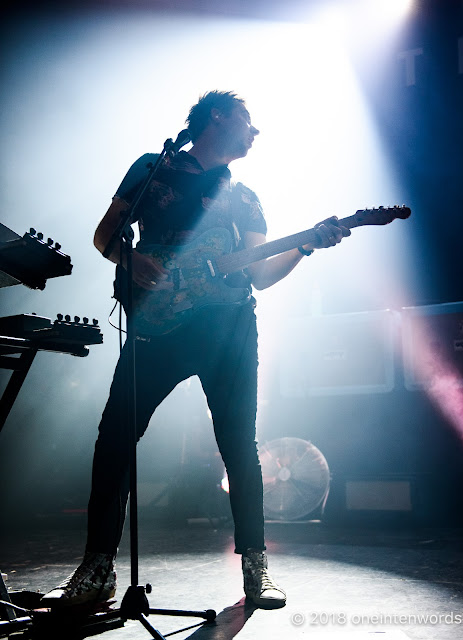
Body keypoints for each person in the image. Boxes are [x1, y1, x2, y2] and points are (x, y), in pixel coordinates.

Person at [41, 91, 349, 610]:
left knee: (238, 447)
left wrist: (306, 244)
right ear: (218, 117)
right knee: (114, 438)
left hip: (227, 329)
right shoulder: (151, 168)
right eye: (248, 121)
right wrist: (131, 258)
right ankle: (96, 570)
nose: (256, 132)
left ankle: (256, 569)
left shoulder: (244, 197)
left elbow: (260, 275)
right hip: (155, 326)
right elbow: (104, 235)